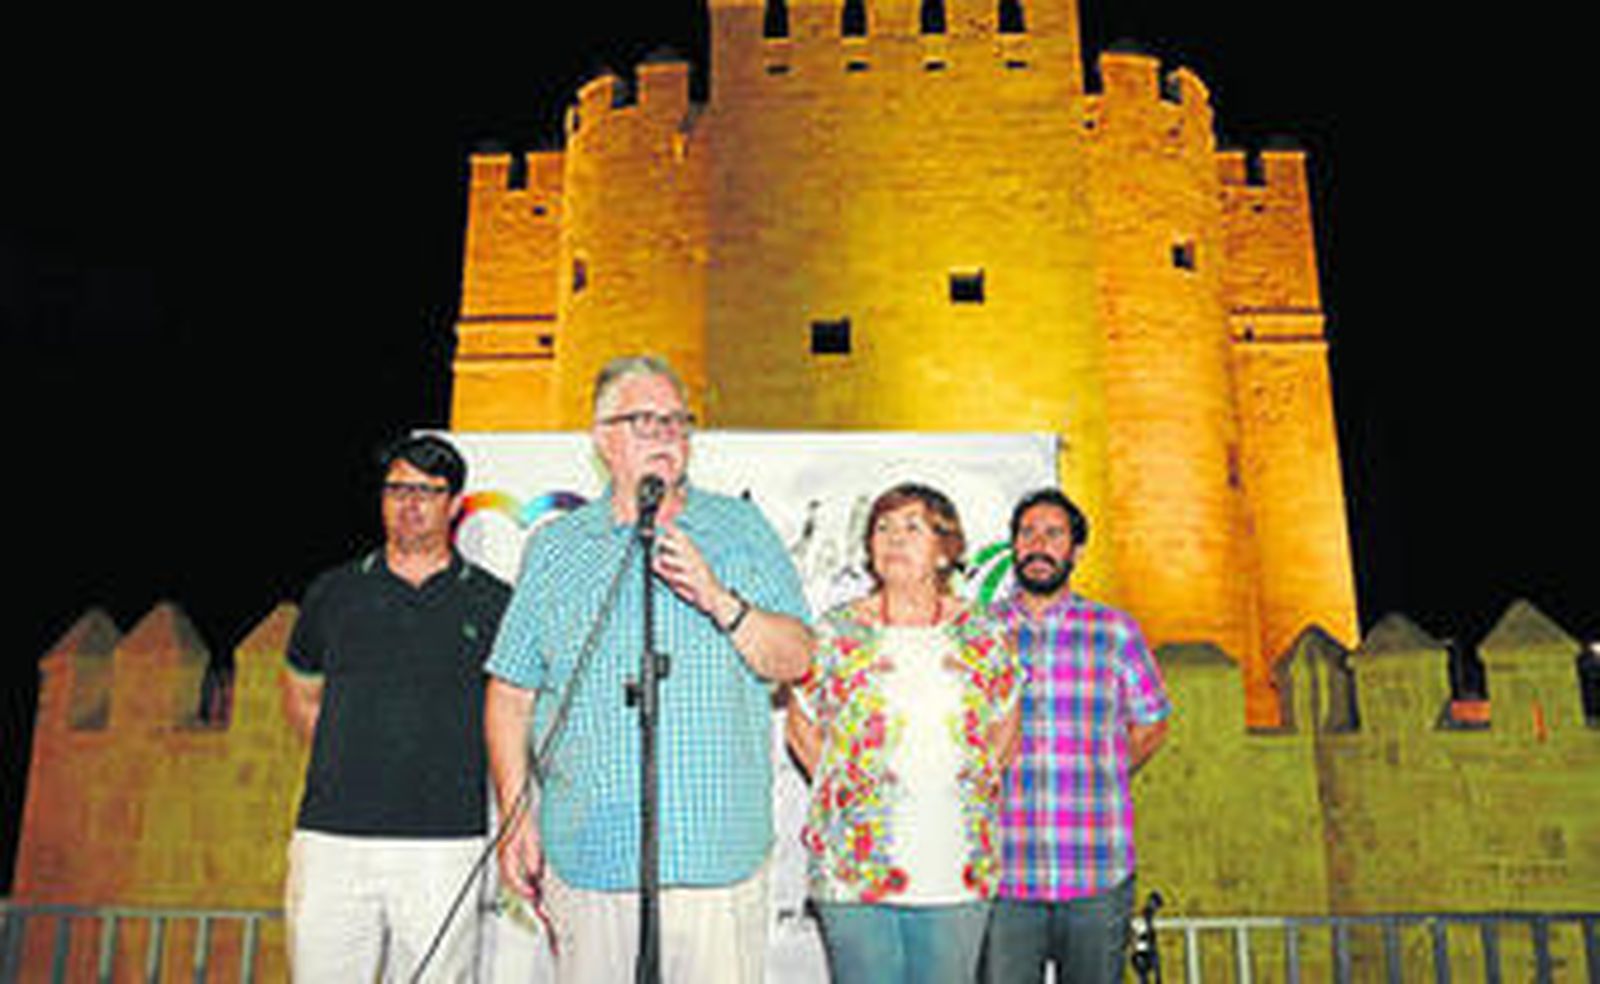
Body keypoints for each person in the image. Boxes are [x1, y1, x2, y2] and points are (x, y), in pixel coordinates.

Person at [483, 354, 814, 984]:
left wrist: (721, 600)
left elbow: (798, 656)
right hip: (588, 856)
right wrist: (514, 813)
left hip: (716, 858)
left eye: (677, 422)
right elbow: (510, 693)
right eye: (645, 420)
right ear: (603, 438)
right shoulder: (556, 548)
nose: (667, 434)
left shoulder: (740, 528)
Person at [281, 434, 511, 982]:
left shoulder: (493, 602)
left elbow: (511, 711)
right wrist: (360, 761)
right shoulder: (333, 593)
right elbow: (301, 693)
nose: (409, 504)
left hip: (445, 845)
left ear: (454, 504)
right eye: (396, 489)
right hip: (332, 840)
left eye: (426, 492)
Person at [786, 482, 1020, 984]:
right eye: (883, 527)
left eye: (912, 527)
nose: (894, 539)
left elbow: (1005, 726)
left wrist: (965, 788)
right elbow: (801, 724)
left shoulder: (986, 634)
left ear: (945, 550)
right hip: (854, 868)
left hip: (956, 862)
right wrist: (843, 790)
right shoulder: (834, 633)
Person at [983, 489, 1171, 984]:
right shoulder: (980, 633)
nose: (1038, 545)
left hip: (1097, 873)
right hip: (1004, 876)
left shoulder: (1115, 632)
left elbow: (1152, 723)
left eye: (1053, 533)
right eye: (1026, 533)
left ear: (1075, 551)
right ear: (1013, 546)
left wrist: (1100, 770)